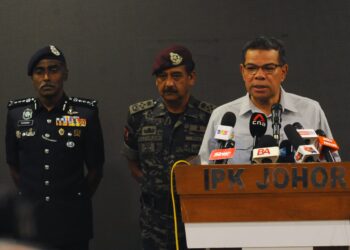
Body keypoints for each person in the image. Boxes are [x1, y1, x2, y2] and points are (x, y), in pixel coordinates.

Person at [5, 45, 105, 250]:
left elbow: (96, 169)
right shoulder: (16, 114)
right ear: (32, 77)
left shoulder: (85, 114)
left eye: (53, 70)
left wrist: (73, 200)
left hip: (72, 221)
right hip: (31, 221)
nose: (46, 77)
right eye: (39, 71)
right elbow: (14, 167)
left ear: (65, 73)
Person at [122, 45, 215, 249]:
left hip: (196, 220)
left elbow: (217, 167)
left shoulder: (210, 117)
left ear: (191, 78)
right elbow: (133, 162)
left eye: (176, 76)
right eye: (162, 77)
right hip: (153, 222)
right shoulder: (139, 116)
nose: (169, 83)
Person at [199, 36, 340, 164]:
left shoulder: (311, 111)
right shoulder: (222, 116)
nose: (259, 75)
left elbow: (333, 170)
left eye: (268, 68)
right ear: (243, 72)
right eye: (251, 68)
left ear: (283, 72)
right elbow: (203, 172)